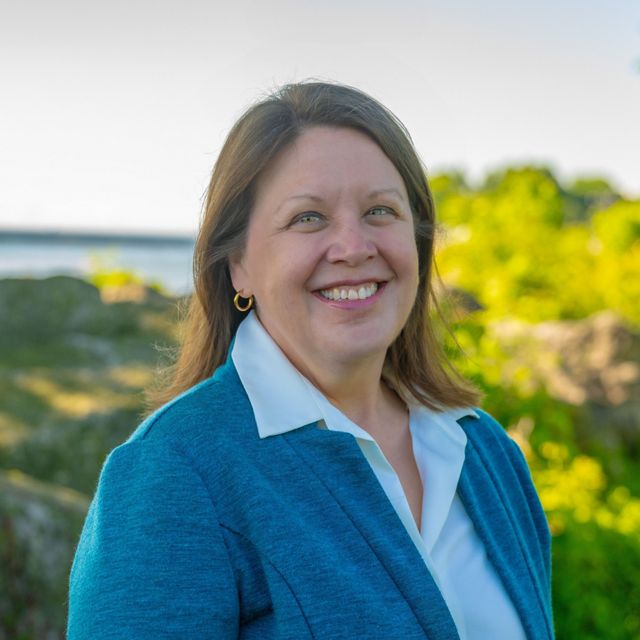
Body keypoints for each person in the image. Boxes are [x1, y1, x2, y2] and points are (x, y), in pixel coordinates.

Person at [67, 81, 554, 639]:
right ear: (238, 265)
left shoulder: (487, 453)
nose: (353, 246)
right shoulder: (175, 471)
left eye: (380, 210)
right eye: (308, 218)